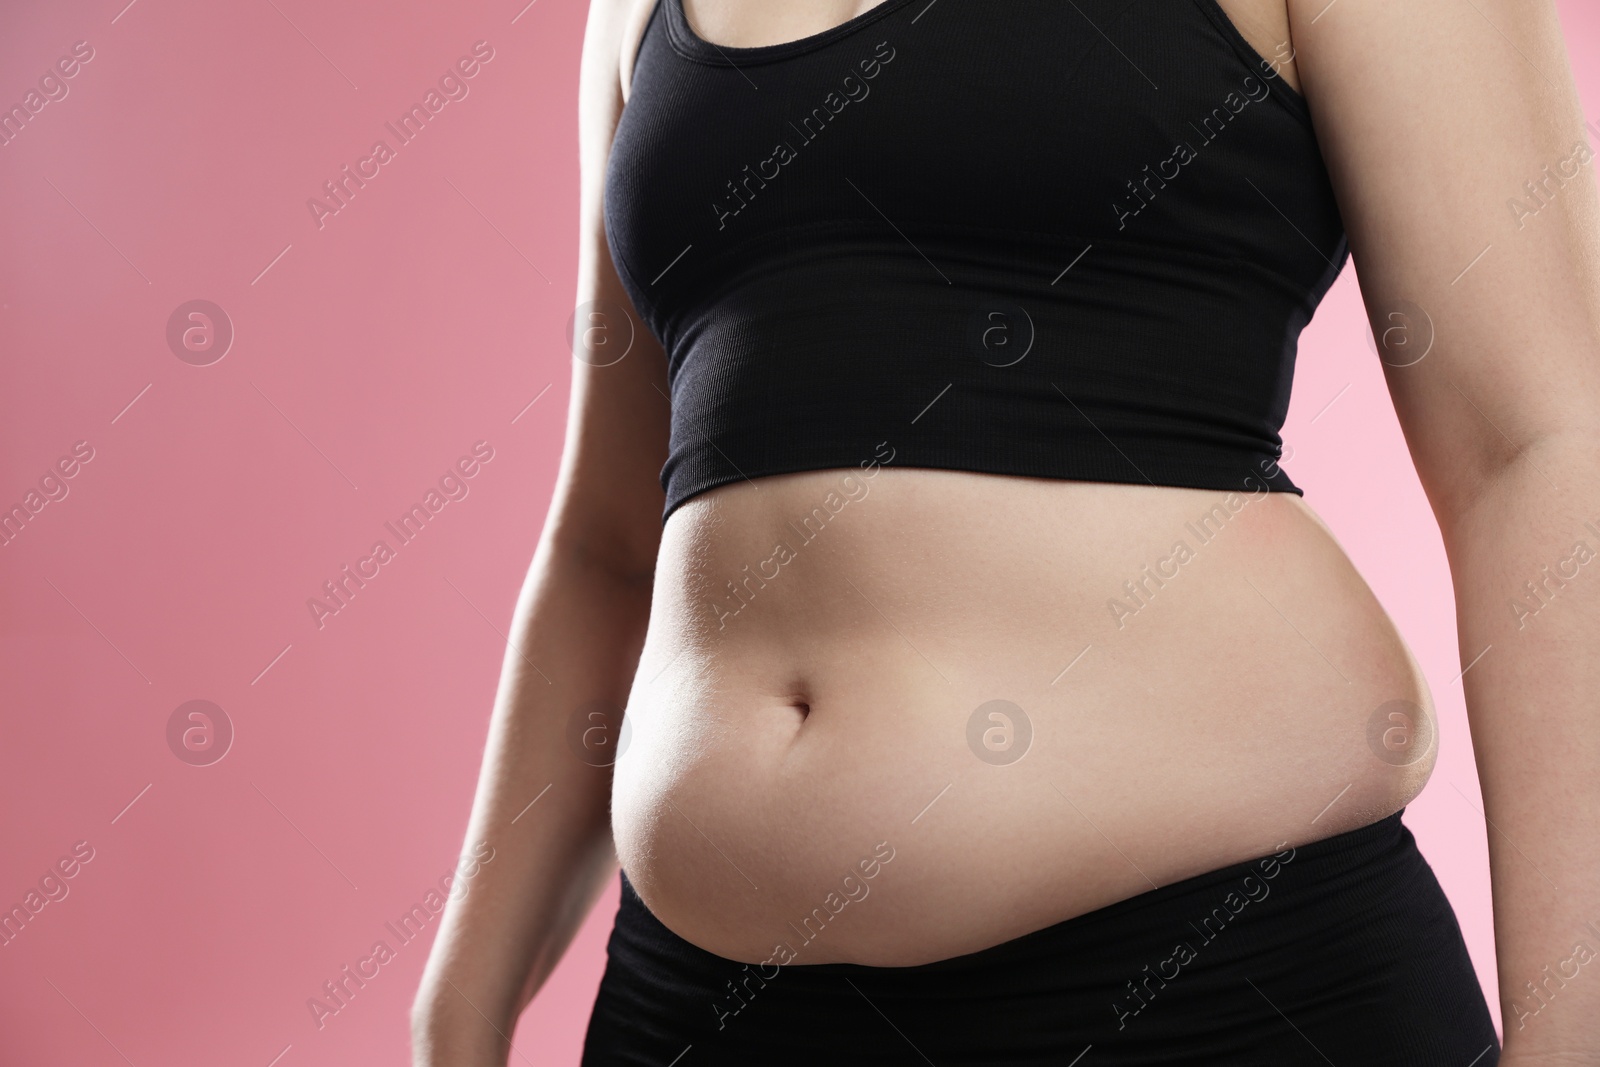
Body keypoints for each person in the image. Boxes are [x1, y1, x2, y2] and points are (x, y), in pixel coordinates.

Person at [413, 0, 1600, 1062]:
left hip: (1216, 987)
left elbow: (1538, 450)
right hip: (696, 1006)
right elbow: (608, 545)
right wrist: (457, 1010)